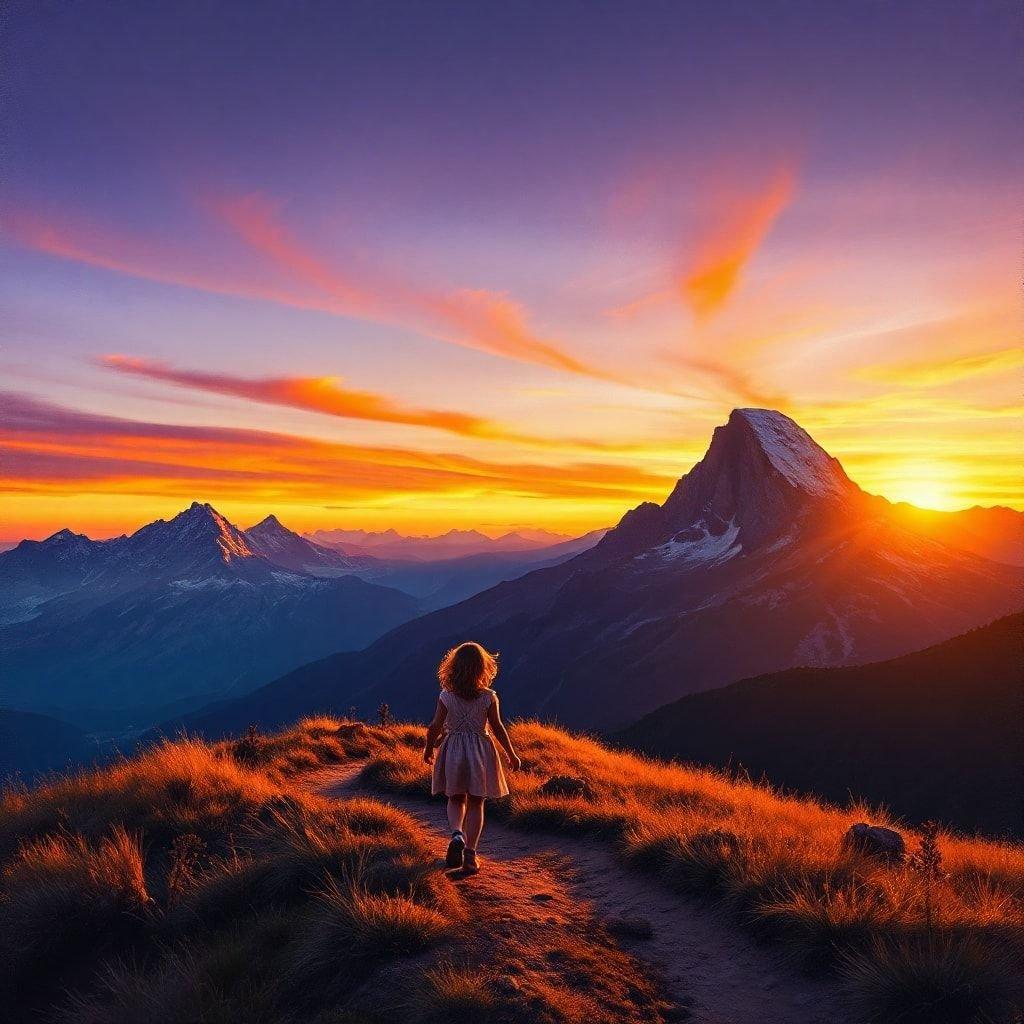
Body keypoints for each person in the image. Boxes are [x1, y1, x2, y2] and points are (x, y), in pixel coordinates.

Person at [423, 641, 521, 873]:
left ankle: (457, 833)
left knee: (455, 798)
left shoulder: (446, 696)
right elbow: (497, 727)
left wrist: (429, 748)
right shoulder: (489, 697)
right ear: (482, 668)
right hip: (480, 750)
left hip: (453, 748)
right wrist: (511, 754)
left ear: (453, 667)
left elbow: (435, 725)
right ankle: (470, 854)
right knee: (477, 801)